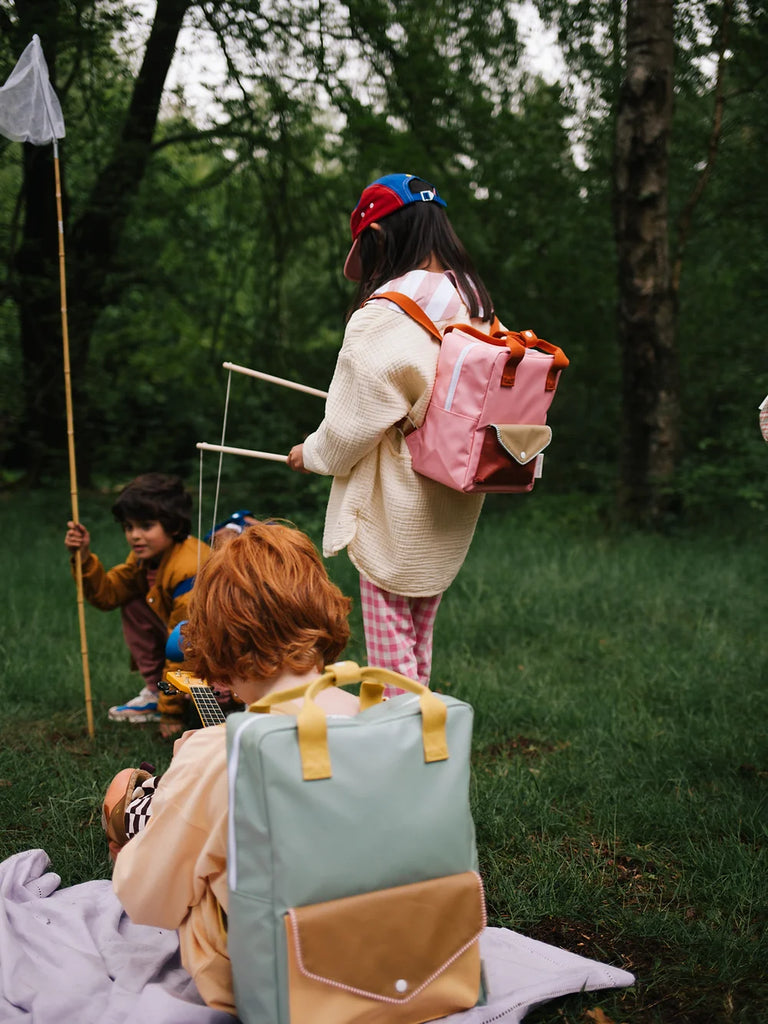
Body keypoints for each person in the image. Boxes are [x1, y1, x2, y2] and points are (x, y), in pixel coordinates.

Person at [108, 520, 358, 1014]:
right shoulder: (388, 719)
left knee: (123, 793)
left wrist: (186, 776)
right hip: (397, 950)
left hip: (281, 977)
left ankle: (121, 826)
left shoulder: (219, 751)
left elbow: (147, 902)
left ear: (218, 641)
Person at [287, 172, 494, 689]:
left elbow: (349, 428)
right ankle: (427, 740)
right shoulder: (477, 305)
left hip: (397, 503)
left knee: (390, 656)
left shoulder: (385, 315)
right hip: (453, 490)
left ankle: (403, 746)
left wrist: (310, 454)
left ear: (379, 239)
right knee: (417, 637)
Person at [64, 473, 211, 731]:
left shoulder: (188, 569)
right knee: (133, 600)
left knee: (183, 646)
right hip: (193, 648)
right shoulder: (145, 559)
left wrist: (171, 717)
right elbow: (108, 595)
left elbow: (184, 648)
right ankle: (158, 692)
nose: (135, 536)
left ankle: (181, 701)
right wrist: (85, 557)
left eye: (145, 526)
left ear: (174, 526)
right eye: (129, 527)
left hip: (219, 656)